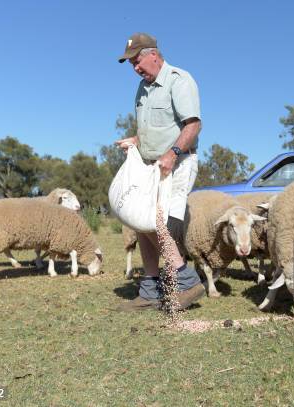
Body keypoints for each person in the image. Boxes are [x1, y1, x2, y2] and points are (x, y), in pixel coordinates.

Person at [115, 33, 205, 311]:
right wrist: (136, 141)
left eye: (138, 61)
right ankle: (150, 289)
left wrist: (172, 153)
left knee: (157, 224)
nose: (136, 68)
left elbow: (193, 125)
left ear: (154, 54)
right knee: (140, 222)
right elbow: (153, 130)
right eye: (131, 64)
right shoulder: (142, 89)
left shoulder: (179, 80)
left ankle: (185, 280)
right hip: (151, 166)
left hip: (177, 163)